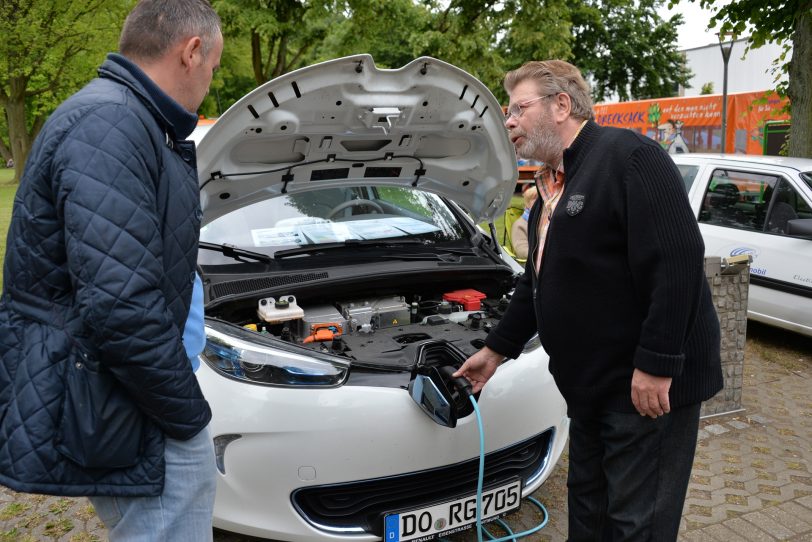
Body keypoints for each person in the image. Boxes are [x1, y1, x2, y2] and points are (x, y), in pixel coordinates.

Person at [454, 60, 722, 540]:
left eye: (519, 108)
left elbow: (679, 260)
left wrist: (658, 363)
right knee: (588, 509)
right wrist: (495, 351)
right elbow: (536, 284)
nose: (508, 121)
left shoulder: (630, 157)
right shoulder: (548, 191)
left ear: (561, 105)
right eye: (506, 112)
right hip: (589, 387)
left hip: (644, 389)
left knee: (634, 523)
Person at [0, 1, 223, 540]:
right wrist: (189, 417)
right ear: (191, 51)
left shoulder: (129, 117)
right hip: (133, 397)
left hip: (134, 389)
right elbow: (122, 305)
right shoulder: (111, 124)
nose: (209, 81)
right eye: (214, 66)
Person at [510, 185, 539, 260]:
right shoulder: (520, 225)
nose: (540, 202)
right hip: (530, 266)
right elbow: (522, 252)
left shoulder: (547, 221)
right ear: (527, 204)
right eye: (535, 199)